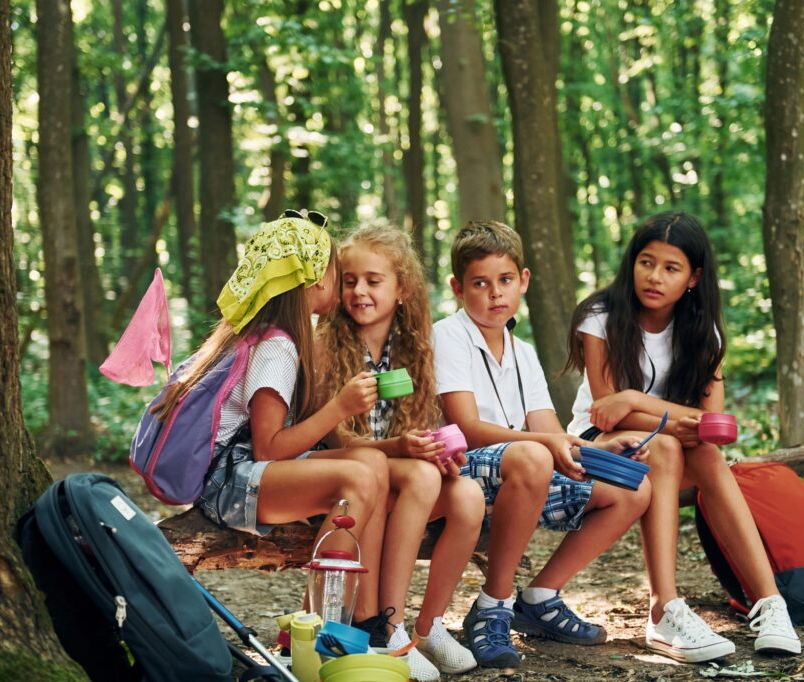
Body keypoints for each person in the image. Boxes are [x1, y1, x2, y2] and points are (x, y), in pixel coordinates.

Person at [564, 211, 801, 662]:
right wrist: (659, 416)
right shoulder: (601, 316)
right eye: (646, 262)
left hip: (666, 444)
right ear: (632, 263)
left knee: (707, 455)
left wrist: (635, 397)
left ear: (692, 278)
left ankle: (771, 604)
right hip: (597, 446)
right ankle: (664, 608)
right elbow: (606, 413)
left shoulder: (701, 332)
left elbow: (714, 426)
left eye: (671, 268)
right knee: (671, 444)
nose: (654, 277)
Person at [432, 220, 652, 669]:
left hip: (522, 474)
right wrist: (545, 444)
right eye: (480, 283)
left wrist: (599, 452)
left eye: (505, 280)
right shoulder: (447, 336)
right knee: (533, 455)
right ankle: (493, 605)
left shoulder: (523, 352)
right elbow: (468, 428)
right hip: (461, 473)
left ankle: (540, 598)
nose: (495, 293)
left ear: (523, 281)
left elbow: (552, 433)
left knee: (634, 488)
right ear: (458, 287)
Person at [154, 213, 390, 630]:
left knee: (372, 466)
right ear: (313, 277)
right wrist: (339, 407)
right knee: (358, 481)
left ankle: (359, 617)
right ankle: (321, 628)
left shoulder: (265, 333)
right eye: (336, 271)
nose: (338, 282)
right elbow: (269, 448)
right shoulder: (276, 346)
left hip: (240, 472)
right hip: (228, 483)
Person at [317, 222, 483, 680]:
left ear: (402, 288)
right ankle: (385, 627)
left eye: (374, 281)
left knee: (468, 495)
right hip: (349, 477)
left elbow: (417, 426)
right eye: (349, 281)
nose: (359, 291)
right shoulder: (327, 345)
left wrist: (435, 449)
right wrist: (404, 449)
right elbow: (340, 441)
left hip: (397, 473)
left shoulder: (414, 346)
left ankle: (425, 628)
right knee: (424, 477)